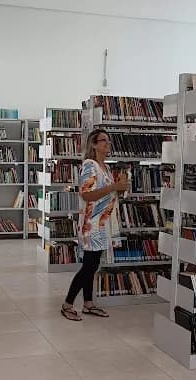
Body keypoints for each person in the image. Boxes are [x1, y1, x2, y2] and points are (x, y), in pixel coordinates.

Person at [61, 129, 129, 321]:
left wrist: (120, 188)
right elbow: (86, 195)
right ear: (93, 144)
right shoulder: (90, 165)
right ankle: (67, 304)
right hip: (92, 225)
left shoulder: (105, 167)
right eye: (103, 140)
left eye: (109, 140)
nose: (108, 144)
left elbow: (107, 193)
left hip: (102, 224)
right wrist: (114, 187)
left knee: (93, 265)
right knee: (89, 266)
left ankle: (88, 303)